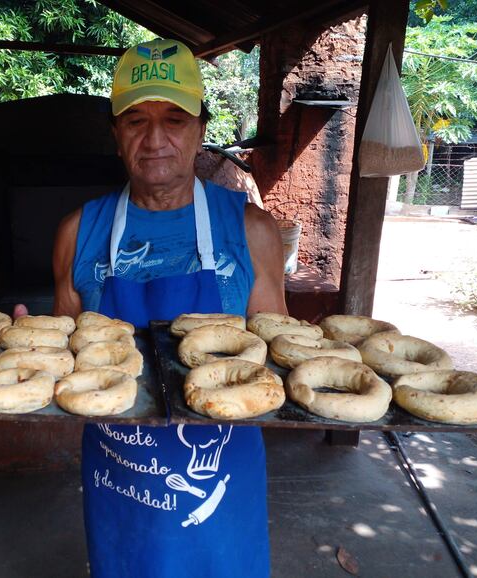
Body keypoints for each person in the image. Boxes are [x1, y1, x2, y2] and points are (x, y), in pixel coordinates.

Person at [23, 38, 287, 577]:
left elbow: (275, 356)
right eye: (135, 120)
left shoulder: (251, 230)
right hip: (122, 466)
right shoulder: (78, 232)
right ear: (116, 134)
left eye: (175, 118)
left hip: (222, 467)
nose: (156, 138)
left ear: (200, 130)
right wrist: (32, 350)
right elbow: (68, 355)